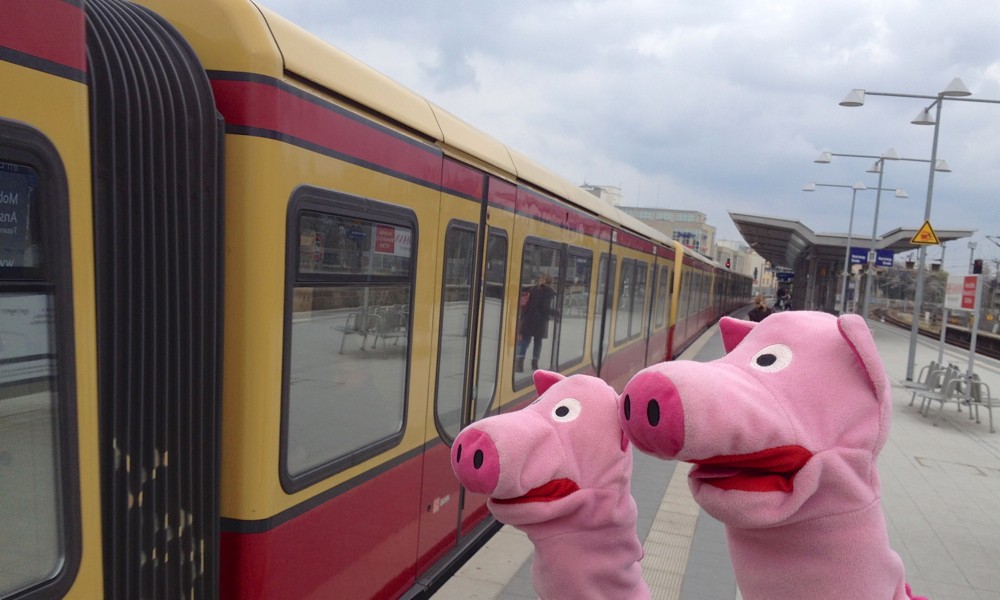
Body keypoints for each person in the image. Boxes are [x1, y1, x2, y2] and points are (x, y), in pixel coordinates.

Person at [516, 273, 557, 372]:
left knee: (525, 341)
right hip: (540, 321)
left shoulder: (533, 289)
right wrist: (555, 312)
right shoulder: (548, 292)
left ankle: (520, 362)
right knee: (537, 343)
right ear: (550, 283)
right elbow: (544, 308)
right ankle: (534, 363)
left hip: (528, 319)